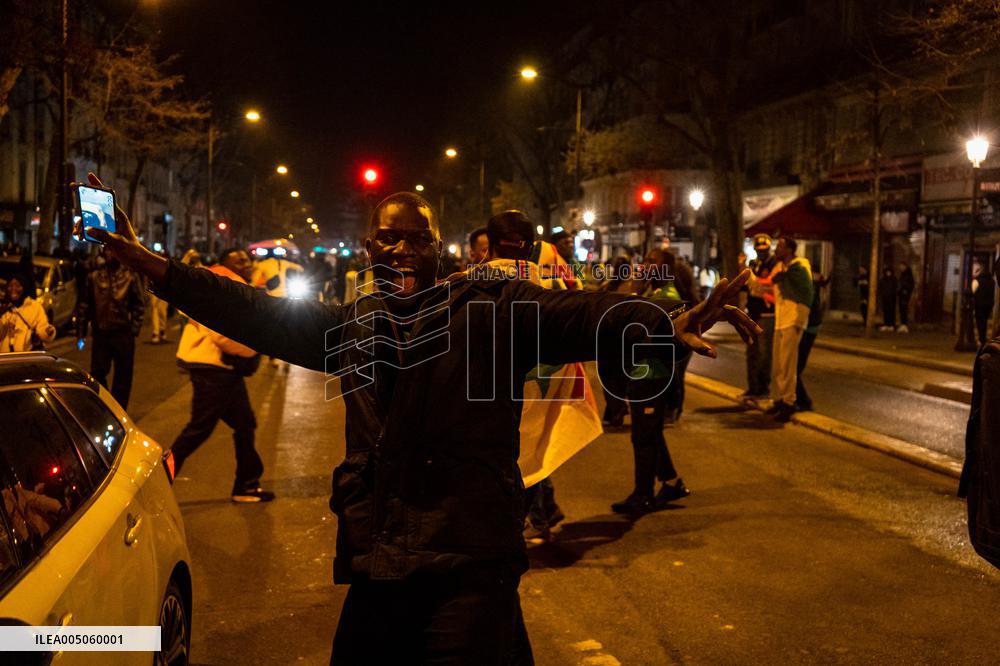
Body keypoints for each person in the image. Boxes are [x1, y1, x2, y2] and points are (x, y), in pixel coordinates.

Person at [79, 172, 760, 664]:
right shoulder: (355, 325)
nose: (400, 251)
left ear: (440, 250)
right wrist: (157, 268)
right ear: (370, 249)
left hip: (466, 563)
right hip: (381, 562)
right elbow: (249, 313)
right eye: (387, 239)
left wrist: (664, 322)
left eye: (415, 239)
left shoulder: (493, 309)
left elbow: (583, 316)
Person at [169, 248, 273, 503]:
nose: (247, 263)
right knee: (198, 430)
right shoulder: (221, 286)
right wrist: (253, 349)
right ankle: (156, 480)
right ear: (226, 264)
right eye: (240, 260)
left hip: (221, 368)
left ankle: (246, 485)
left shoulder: (216, 283)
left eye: (247, 259)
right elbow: (222, 332)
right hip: (214, 368)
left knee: (244, 423)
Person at [609, 247, 695, 515]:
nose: (645, 264)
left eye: (652, 261)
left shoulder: (667, 298)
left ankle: (642, 495)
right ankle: (671, 482)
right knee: (651, 432)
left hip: (651, 376)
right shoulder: (653, 295)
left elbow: (639, 333)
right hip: (643, 374)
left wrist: (635, 291)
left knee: (642, 437)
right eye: (644, 260)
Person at [75, 248, 146, 409]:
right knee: (97, 373)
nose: (111, 254)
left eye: (114, 250)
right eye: (107, 250)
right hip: (101, 333)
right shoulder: (94, 277)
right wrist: (81, 333)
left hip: (123, 333)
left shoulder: (130, 276)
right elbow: (84, 306)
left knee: (123, 377)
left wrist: (134, 329)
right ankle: (106, 408)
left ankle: (120, 410)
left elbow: (139, 305)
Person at [767, 237, 813, 423]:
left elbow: (805, 292)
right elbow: (768, 287)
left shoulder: (800, 267)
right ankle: (778, 399)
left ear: (790, 250)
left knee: (788, 364)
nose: (776, 249)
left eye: (780, 246)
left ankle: (789, 402)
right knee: (778, 363)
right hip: (780, 319)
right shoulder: (780, 269)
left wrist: (799, 319)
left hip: (793, 319)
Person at [744, 234, 777, 399]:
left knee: (764, 354)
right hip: (753, 313)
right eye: (759, 250)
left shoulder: (773, 264)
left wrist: (757, 284)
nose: (761, 253)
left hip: (767, 314)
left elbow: (765, 286)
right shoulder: (754, 264)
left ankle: (764, 388)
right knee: (751, 353)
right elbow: (749, 287)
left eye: (764, 250)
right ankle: (753, 387)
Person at [795, 273, 828, 412]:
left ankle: (804, 401)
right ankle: (797, 399)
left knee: (795, 368)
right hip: (808, 328)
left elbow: (807, 309)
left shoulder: (807, 289)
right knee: (794, 368)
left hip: (808, 329)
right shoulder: (808, 287)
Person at [0, 274, 56, 353]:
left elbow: (42, 327)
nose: (13, 289)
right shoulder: (3, 307)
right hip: (5, 358)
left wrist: (48, 331)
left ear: (24, 288)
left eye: (18, 286)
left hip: (26, 356)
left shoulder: (34, 307)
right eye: (10, 286)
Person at [974, 261, 995, 346]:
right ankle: (983, 337)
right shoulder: (992, 281)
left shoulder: (977, 280)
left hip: (979, 305)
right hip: (988, 304)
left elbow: (973, 292)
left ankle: (981, 338)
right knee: (985, 321)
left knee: (980, 322)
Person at [878, 266, 897, 332]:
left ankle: (891, 325)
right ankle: (886, 324)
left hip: (892, 298)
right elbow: (880, 288)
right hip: (885, 297)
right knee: (886, 311)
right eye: (887, 272)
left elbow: (896, 288)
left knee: (891, 311)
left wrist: (893, 293)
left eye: (889, 272)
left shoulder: (894, 279)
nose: (888, 273)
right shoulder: (883, 280)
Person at [897, 262, 915, 333]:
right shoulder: (903, 274)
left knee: (904, 309)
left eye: (902, 266)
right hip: (902, 294)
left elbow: (910, 285)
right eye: (900, 266)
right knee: (902, 309)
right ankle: (903, 324)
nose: (900, 268)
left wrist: (906, 290)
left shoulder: (908, 275)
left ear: (905, 266)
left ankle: (904, 325)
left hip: (905, 294)